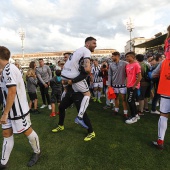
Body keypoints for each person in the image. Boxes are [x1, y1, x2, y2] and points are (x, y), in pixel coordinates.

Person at [0, 46, 40, 169]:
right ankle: (3, 162)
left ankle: (37, 152)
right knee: (6, 133)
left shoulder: (9, 69)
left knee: (27, 131)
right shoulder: (4, 70)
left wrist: (5, 113)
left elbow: (12, 91)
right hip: (8, 109)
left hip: (18, 110)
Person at [61, 37, 96, 129]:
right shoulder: (86, 51)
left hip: (64, 74)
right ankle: (80, 117)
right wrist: (88, 71)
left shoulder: (78, 50)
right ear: (87, 44)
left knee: (71, 91)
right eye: (94, 43)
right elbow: (87, 68)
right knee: (87, 94)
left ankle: (63, 102)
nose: (95, 45)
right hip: (72, 76)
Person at [152, 25, 170, 150]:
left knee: (163, 115)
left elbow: (154, 74)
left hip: (166, 90)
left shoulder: (164, 61)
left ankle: (160, 141)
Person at [108, 51, 128, 119]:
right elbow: (109, 75)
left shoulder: (125, 63)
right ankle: (116, 110)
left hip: (123, 84)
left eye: (113, 56)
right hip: (114, 85)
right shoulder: (111, 64)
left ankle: (125, 112)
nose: (112, 57)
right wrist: (109, 84)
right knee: (115, 98)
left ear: (117, 56)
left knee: (124, 99)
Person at [125, 52, 142, 124]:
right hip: (129, 86)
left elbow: (140, 77)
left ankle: (133, 116)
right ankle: (136, 115)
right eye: (126, 57)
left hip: (133, 86)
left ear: (132, 57)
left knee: (130, 100)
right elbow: (128, 76)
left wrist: (135, 85)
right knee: (131, 100)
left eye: (128, 56)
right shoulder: (128, 65)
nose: (127, 58)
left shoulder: (136, 65)